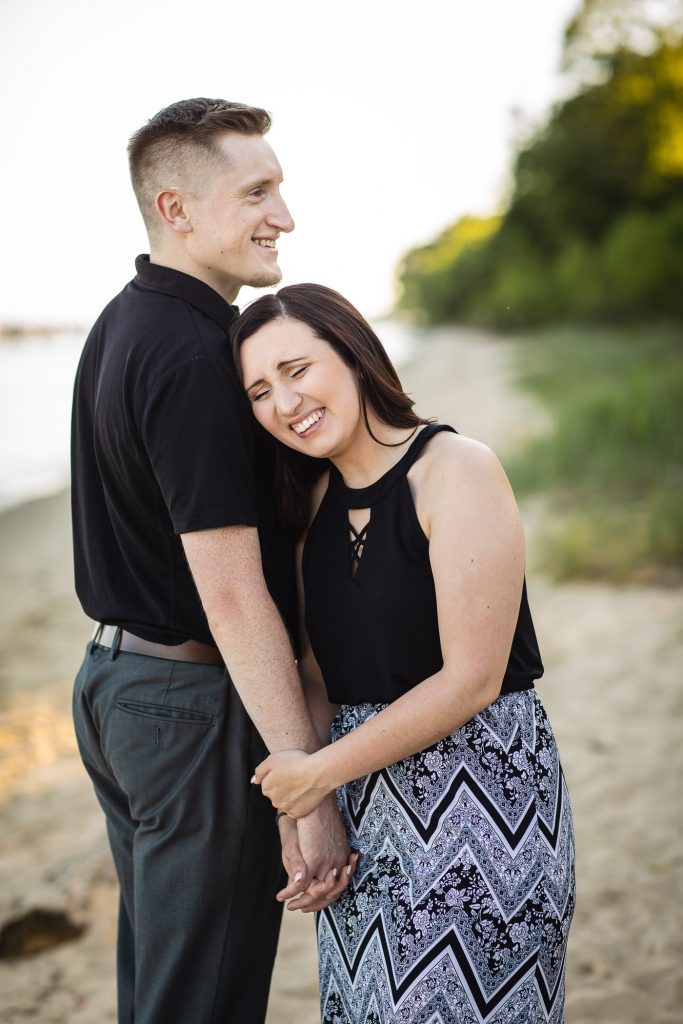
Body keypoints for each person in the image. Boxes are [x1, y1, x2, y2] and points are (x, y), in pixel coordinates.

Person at [70, 100, 354, 1024]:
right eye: (257, 193)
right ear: (177, 208)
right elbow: (230, 596)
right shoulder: (193, 354)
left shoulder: (123, 322)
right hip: (189, 708)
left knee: (161, 984)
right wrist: (304, 786)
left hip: (117, 687)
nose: (284, 216)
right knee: (204, 999)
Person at [232, 283, 576, 1024]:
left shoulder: (456, 468)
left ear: (352, 354)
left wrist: (315, 774)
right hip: (366, 812)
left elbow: (472, 679)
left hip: (483, 794)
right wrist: (308, 811)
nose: (283, 404)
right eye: (259, 391)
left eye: (296, 370)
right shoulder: (308, 508)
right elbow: (318, 679)